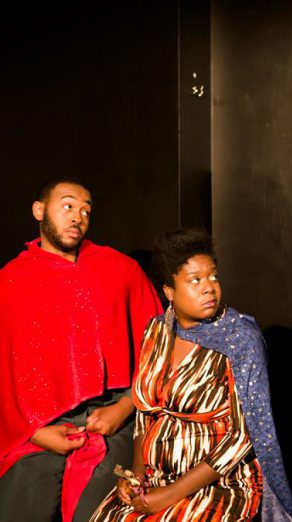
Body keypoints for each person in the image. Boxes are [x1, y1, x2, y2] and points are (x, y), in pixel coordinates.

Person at [90, 229, 292, 521]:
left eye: (213, 277)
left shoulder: (239, 338)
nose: (209, 287)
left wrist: (169, 496)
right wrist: (135, 476)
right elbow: (146, 414)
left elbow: (243, 435)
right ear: (169, 291)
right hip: (156, 475)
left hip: (218, 482)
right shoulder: (156, 331)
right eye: (195, 280)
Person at [0, 178, 162, 521]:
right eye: (68, 206)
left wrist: (125, 406)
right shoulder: (10, 281)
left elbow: (160, 349)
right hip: (35, 427)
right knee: (18, 508)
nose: (78, 216)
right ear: (39, 210)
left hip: (112, 418)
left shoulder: (120, 269)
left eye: (86, 210)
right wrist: (36, 432)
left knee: (98, 511)